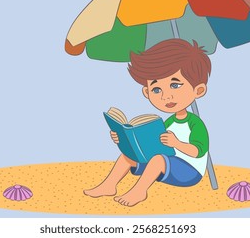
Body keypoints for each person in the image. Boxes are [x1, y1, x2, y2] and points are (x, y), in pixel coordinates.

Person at [84, 39, 211, 207]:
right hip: (165, 165)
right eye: (157, 89)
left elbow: (198, 152)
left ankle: (139, 191)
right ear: (146, 92)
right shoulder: (169, 122)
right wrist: (123, 140)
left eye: (175, 85)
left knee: (158, 160)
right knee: (127, 157)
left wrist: (176, 143)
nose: (166, 96)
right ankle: (109, 186)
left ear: (199, 90)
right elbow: (156, 146)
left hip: (188, 172)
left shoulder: (195, 123)